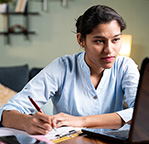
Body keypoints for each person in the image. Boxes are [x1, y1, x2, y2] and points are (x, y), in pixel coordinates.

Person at [0, 5, 139, 135]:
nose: (109, 50)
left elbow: (141, 114)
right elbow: (6, 113)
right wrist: (28, 122)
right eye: (99, 41)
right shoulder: (62, 67)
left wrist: (81, 121)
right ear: (81, 40)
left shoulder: (125, 66)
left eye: (115, 40)